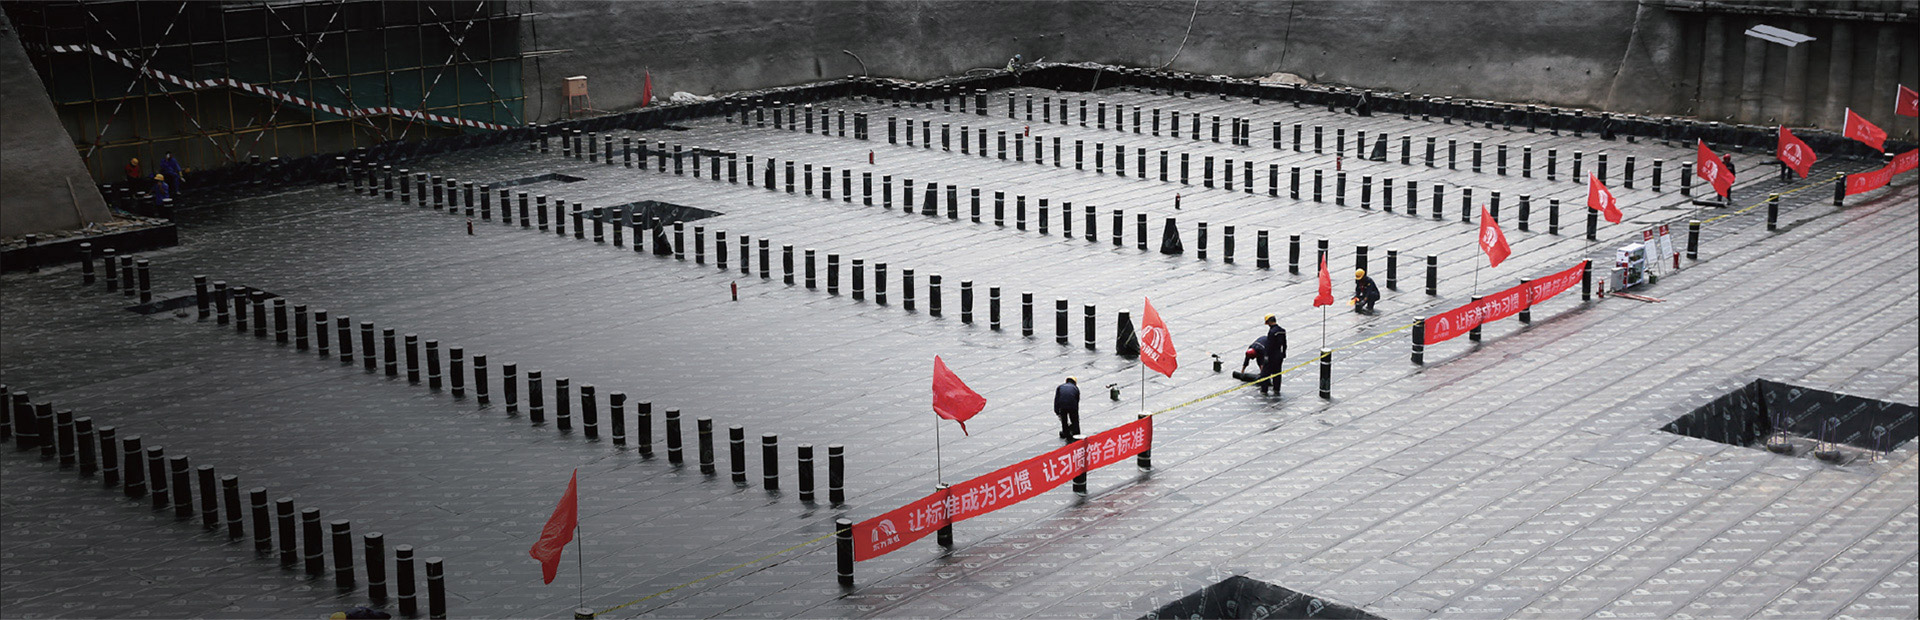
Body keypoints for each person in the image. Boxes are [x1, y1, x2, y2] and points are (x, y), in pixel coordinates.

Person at [1259, 315, 1287, 394]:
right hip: (1279, 355)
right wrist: (1283, 353)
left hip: (1271, 356)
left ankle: (1264, 390)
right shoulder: (1282, 330)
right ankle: (1276, 389)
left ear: (1269, 322)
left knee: (1265, 374)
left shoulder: (1272, 332)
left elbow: (1269, 345)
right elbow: (1285, 343)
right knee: (1277, 373)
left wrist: (1266, 356)